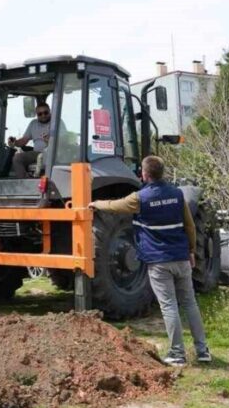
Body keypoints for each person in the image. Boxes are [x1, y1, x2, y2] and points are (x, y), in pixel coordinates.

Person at [89, 155, 210, 366]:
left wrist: (96, 203)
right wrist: (191, 251)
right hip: (181, 259)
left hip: (159, 262)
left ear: (144, 174)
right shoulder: (177, 195)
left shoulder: (140, 198)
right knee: (190, 303)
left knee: (169, 306)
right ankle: (203, 351)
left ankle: (177, 354)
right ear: (162, 172)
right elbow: (189, 226)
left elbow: (115, 206)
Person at [6, 101, 52, 178]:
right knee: (17, 158)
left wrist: (50, 141)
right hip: (36, 153)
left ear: (49, 112)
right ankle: (26, 182)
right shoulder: (33, 124)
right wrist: (15, 142)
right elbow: (24, 140)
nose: (43, 115)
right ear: (37, 115)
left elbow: (64, 141)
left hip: (51, 154)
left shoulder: (56, 122)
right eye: (40, 114)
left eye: (45, 112)